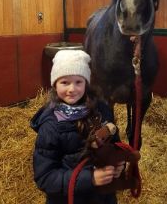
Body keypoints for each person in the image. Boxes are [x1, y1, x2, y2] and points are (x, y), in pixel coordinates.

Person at [30, 50, 125, 204]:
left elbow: (114, 144)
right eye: (65, 82)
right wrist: (91, 178)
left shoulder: (102, 110)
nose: (72, 89)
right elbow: (45, 177)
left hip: (104, 197)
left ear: (86, 83)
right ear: (55, 84)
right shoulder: (51, 126)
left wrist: (119, 165)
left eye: (78, 82)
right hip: (70, 199)